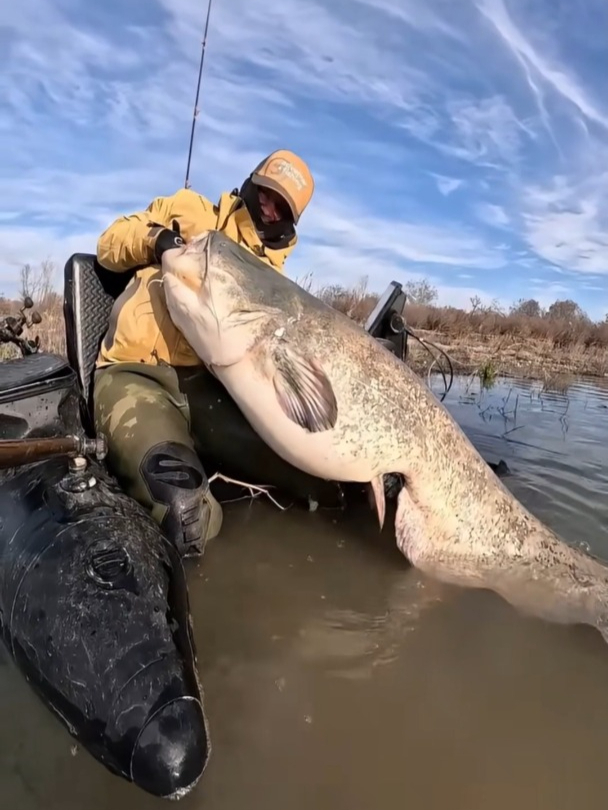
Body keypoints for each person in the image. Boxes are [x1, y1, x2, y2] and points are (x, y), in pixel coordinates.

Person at [92, 149, 317, 559]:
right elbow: (109, 243)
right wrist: (157, 240)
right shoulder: (188, 209)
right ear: (251, 182)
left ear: (288, 222)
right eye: (265, 193)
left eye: (280, 207)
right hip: (134, 377)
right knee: (186, 516)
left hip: (209, 390)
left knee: (318, 478)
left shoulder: (275, 283)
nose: (267, 208)